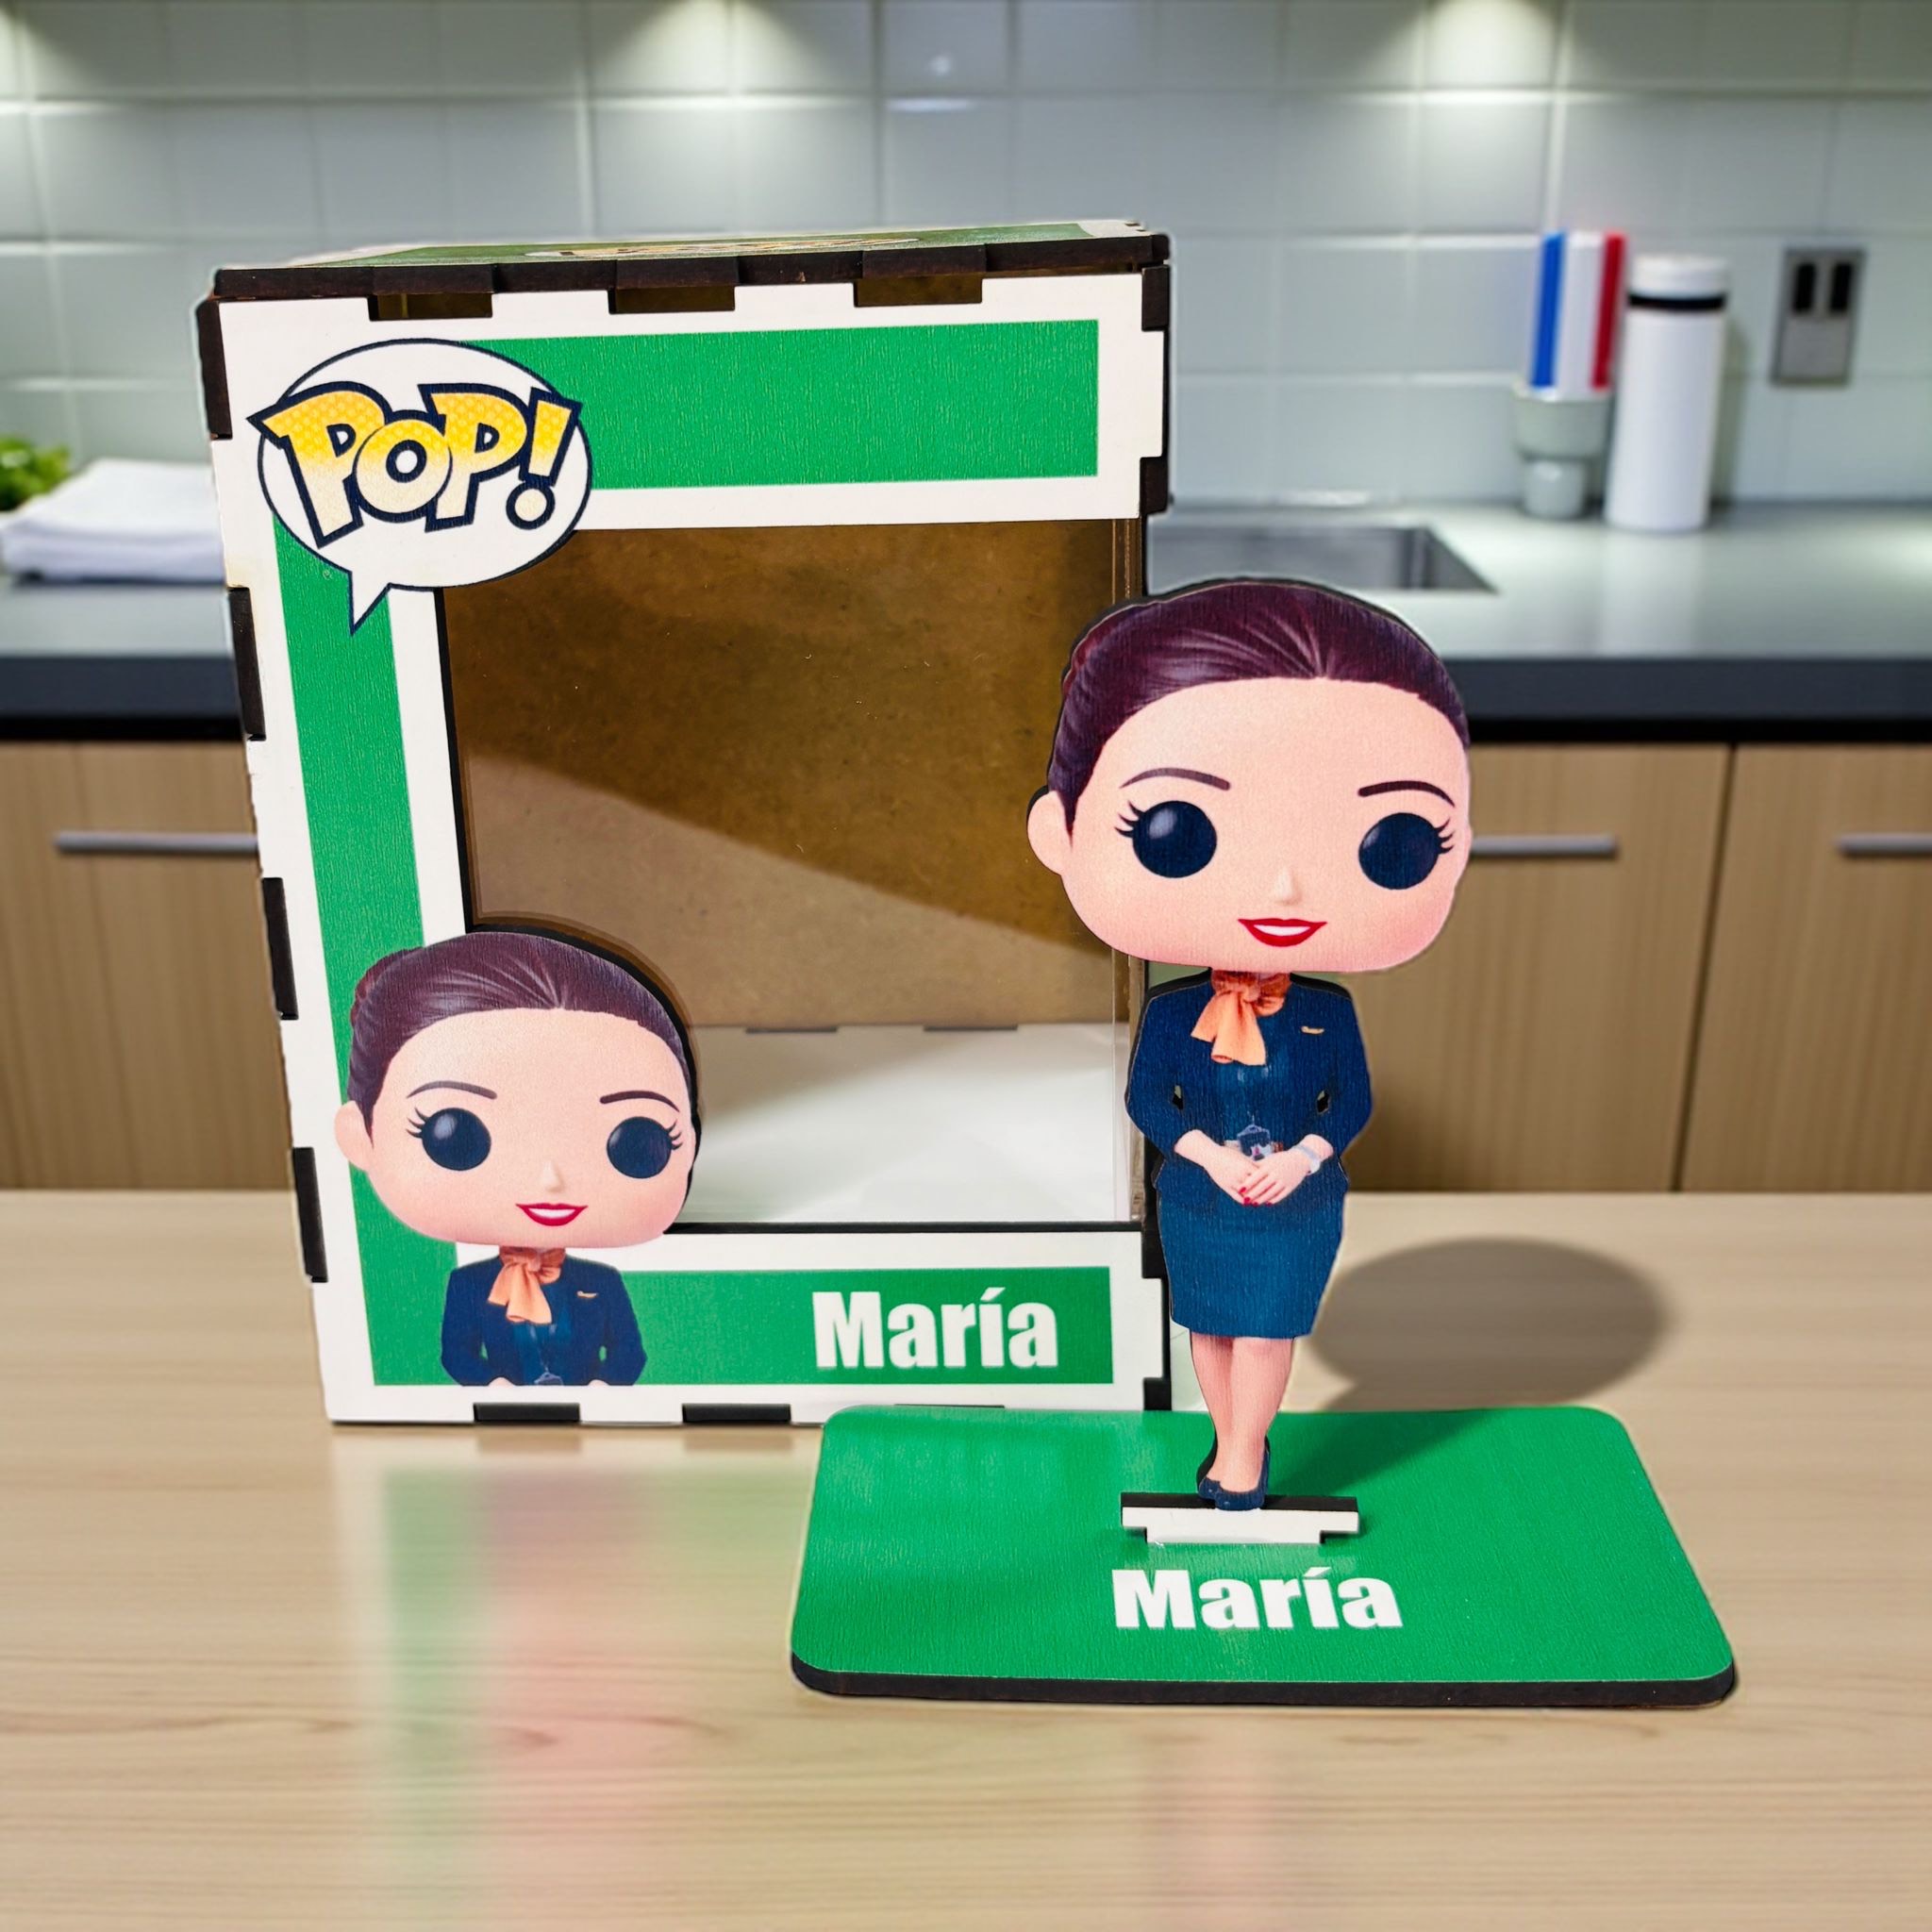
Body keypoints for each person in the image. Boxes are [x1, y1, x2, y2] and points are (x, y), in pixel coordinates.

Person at [1027, 580, 1470, 1507]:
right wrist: (1209, 1155)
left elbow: (1352, 1100)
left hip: (1295, 1202)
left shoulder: (1325, 1011)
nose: (1281, 888)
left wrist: (1304, 1156)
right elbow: (1147, 1100)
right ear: (1058, 832)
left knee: (1270, 1328)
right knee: (1211, 1325)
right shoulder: (1171, 1011)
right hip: (1199, 1194)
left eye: (1391, 839)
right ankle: (1229, 1440)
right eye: (1176, 832)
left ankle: (1241, 1454)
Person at [334, 928, 697, 1389]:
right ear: (360, 1136)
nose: (550, 1179)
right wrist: (493, 1387)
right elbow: (457, 1353)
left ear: (689, 1142)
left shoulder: (601, 1282)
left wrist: (605, 1387)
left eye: (636, 1141)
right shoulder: (468, 1286)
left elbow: (629, 1351)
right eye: (455, 1134)